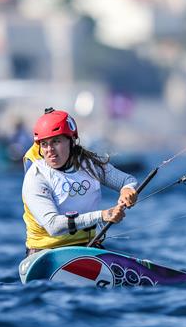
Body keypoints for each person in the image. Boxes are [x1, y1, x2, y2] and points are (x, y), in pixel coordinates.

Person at [21, 108, 138, 256]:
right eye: (44, 144)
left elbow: (128, 180)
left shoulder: (89, 164)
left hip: (87, 248)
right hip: (45, 253)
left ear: (71, 141)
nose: (49, 149)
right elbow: (53, 226)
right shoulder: (35, 177)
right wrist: (102, 215)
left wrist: (127, 190)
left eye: (56, 141)